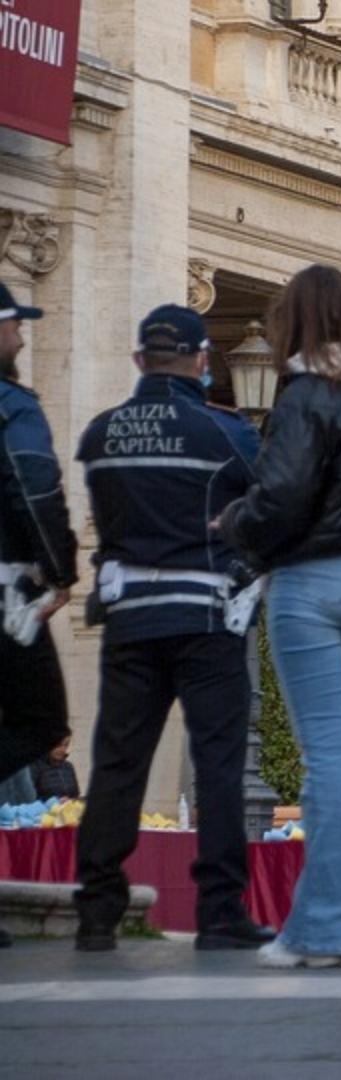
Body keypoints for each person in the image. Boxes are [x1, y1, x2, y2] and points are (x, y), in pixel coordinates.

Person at [219, 266, 341, 968]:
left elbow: (283, 496)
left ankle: (323, 928)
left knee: (324, 757)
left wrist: (236, 521)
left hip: (315, 581)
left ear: (292, 321)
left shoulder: (307, 393)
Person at [70, 304, 268, 954]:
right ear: (202, 360)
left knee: (118, 762)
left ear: (138, 361)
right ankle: (219, 912)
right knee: (217, 762)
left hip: (130, 618)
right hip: (206, 615)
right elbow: (268, 499)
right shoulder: (224, 433)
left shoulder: (100, 435)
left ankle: (97, 911)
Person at [0, 282, 78, 863]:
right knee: (43, 718)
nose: (22, 335)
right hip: (7, 591)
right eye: (14, 324)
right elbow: (34, 485)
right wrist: (59, 571)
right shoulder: (12, 405)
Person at [32, 736, 79, 801]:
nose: (62, 749)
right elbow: (30, 798)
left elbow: (76, 794)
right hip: (46, 810)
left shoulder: (68, 766)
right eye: (58, 745)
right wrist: (54, 802)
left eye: (66, 745)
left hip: (69, 809)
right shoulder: (36, 766)